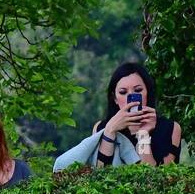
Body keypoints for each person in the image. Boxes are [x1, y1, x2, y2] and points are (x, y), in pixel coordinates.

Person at [53, 62, 182, 172]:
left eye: (138, 90)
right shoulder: (102, 127)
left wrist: (143, 133)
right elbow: (100, 174)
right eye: (123, 92)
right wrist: (110, 131)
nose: (131, 97)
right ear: (115, 98)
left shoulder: (170, 128)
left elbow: (157, 179)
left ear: (148, 92)